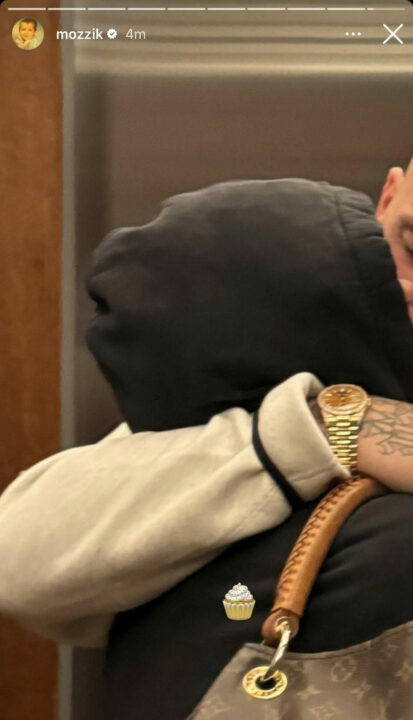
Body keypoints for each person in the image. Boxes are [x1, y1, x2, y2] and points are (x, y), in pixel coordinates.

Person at [0, 159, 413, 718]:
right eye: (411, 248)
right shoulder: (297, 354)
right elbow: (20, 557)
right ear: (387, 199)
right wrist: (327, 430)